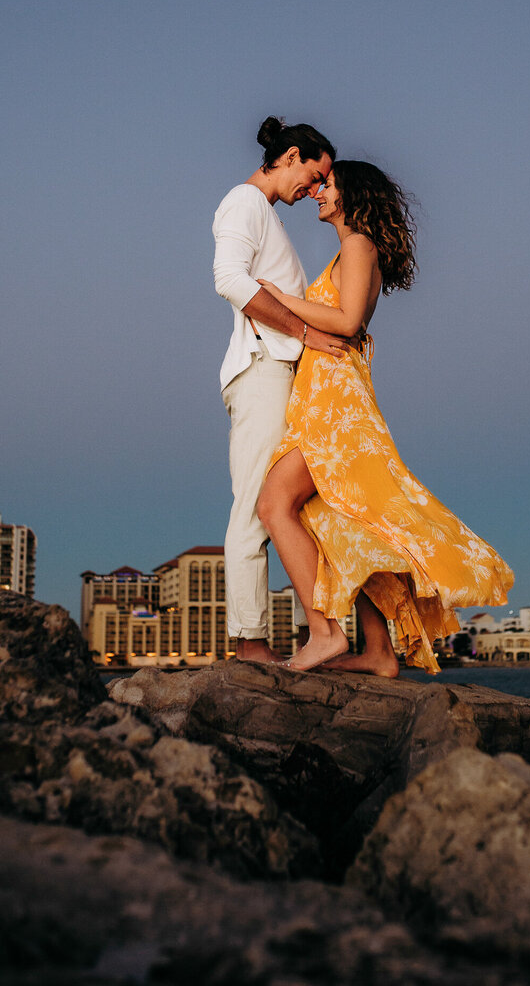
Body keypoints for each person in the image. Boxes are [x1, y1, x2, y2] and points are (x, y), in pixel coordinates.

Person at [257, 160, 514, 674]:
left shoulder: (357, 246)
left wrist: (282, 300)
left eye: (327, 185)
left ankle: (325, 633)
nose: (318, 192)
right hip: (329, 397)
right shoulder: (352, 249)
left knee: (273, 504)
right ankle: (378, 653)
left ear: (353, 194)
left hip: (337, 405)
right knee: (346, 521)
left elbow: (348, 321)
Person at [213, 116, 351, 663]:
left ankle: (316, 634)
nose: (314, 190)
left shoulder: (264, 214)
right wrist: (305, 332)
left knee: (293, 508)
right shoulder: (245, 203)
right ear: (290, 155)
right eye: (314, 176)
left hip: (281, 373)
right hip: (264, 368)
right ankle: (250, 643)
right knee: (255, 506)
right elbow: (229, 279)